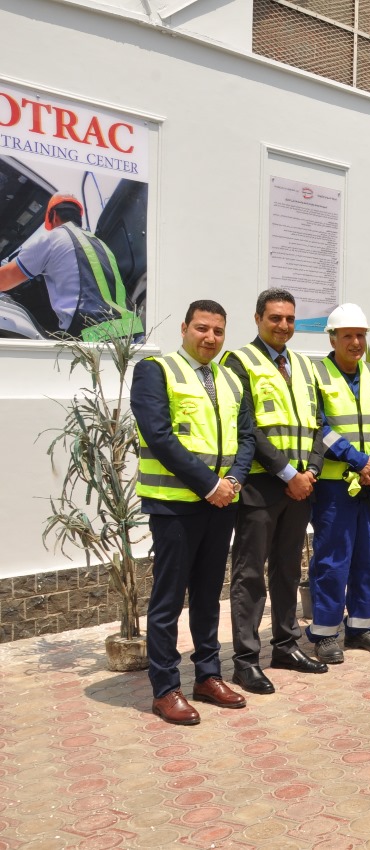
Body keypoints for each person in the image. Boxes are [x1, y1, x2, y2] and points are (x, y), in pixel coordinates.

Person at [131, 299, 254, 724]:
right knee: (168, 600)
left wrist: (233, 481)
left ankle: (207, 676)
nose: (210, 337)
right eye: (202, 328)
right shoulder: (156, 371)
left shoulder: (231, 378)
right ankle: (166, 689)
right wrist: (210, 485)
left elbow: (246, 437)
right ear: (184, 328)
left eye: (218, 330)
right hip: (175, 507)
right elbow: (159, 436)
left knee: (207, 595)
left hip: (221, 505)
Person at [221, 289, 328, 696]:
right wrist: (287, 473)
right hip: (261, 486)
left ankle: (285, 645)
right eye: (275, 318)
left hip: (300, 486)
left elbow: (319, 423)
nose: (283, 325)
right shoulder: (239, 362)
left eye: (289, 319)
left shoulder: (303, 365)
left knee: (287, 569)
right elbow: (246, 426)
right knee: (249, 574)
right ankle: (246, 660)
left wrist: (311, 471)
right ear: (257, 319)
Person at [309, 303, 370, 662]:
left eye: (360, 335)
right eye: (348, 335)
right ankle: (325, 634)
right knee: (333, 559)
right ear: (332, 338)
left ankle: (361, 627)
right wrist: (360, 461)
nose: (356, 342)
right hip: (335, 486)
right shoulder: (316, 375)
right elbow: (318, 426)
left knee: (369, 557)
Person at [0, 194, 141, 340]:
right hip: (130, 332)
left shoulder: (53, 238)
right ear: (78, 217)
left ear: (54, 216)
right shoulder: (100, 244)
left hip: (94, 335)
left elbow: (5, 279)